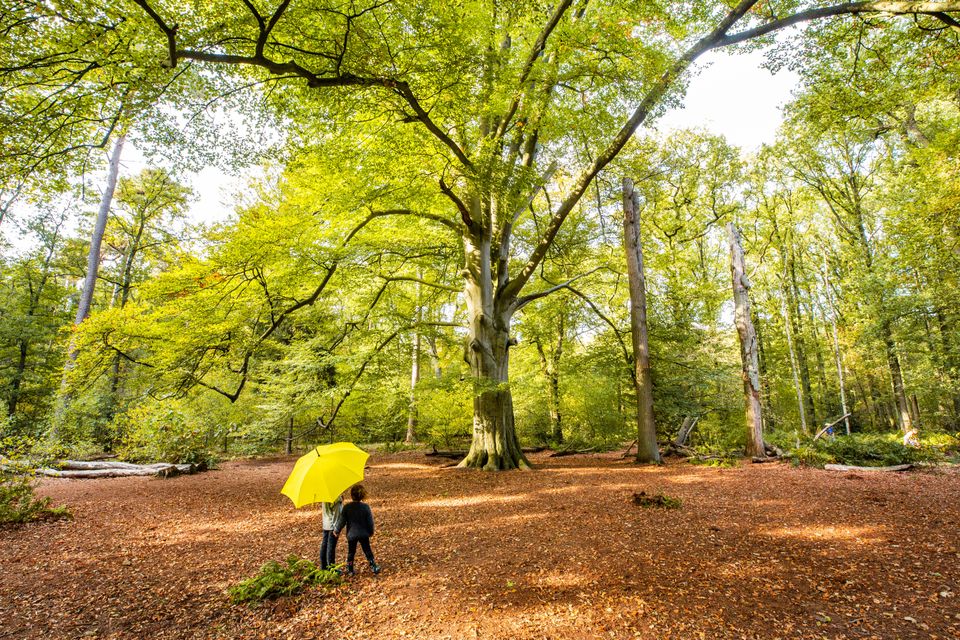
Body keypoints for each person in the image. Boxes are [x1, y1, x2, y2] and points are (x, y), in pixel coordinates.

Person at [332, 484, 380, 576]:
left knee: (351, 552)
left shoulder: (347, 507)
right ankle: (373, 566)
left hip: (351, 534)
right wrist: (371, 531)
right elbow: (370, 522)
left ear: (351, 495)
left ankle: (350, 569)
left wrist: (336, 530)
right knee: (367, 550)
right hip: (363, 533)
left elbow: (342, 521)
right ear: (362, 495)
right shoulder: (365, 507)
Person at [319, 494, 343, 571]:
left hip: (326, 524)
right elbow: (337, 515)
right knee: (331, 547)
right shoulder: (336, 499)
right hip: (332, 526)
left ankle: (323, 566)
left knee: (325, 545)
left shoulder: (324, 496)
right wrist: (337, 529)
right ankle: (332, 568)